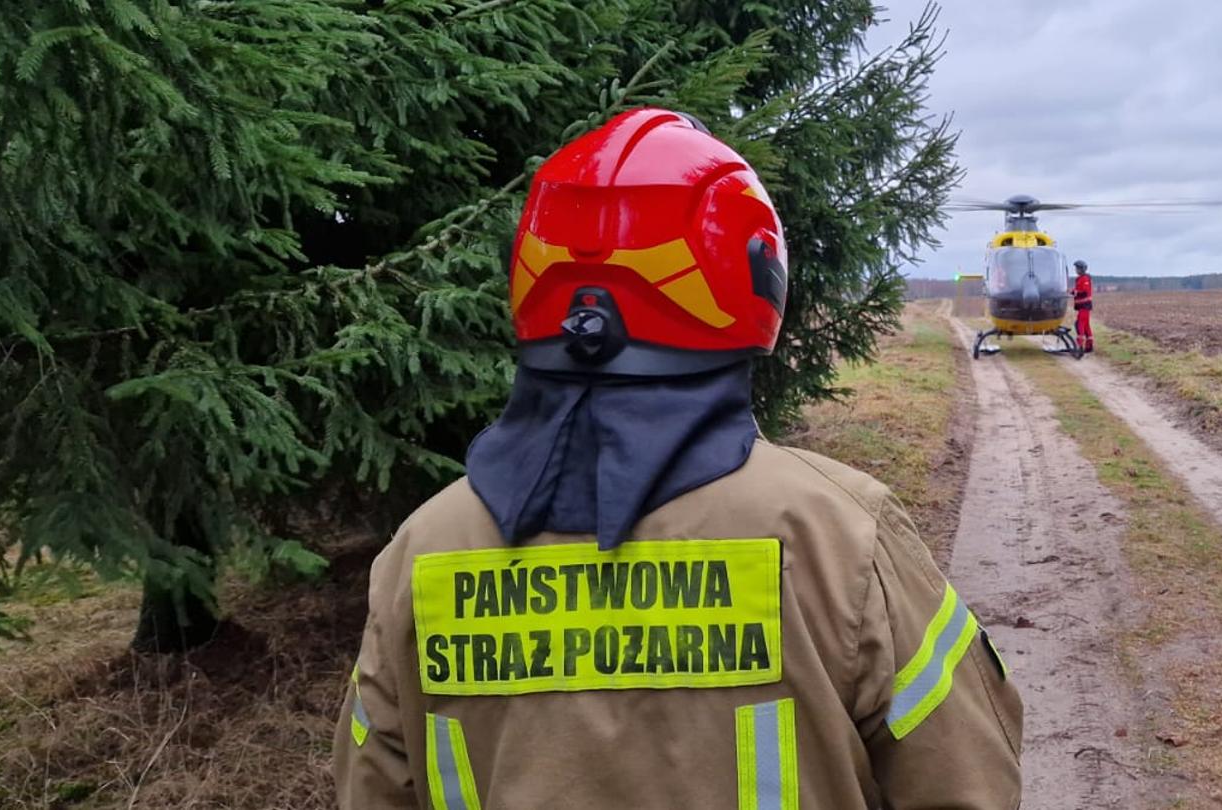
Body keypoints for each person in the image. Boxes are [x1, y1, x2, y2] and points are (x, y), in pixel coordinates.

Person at [332, 108, 1023, 810]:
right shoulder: (839, 533)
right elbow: (963, 779)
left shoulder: (421, 552)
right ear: (753, 277)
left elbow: (371, 790)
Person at [1071, 259, 1095, 353]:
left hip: (1084, 306)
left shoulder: (1085, 279)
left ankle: (1079, 345)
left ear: (1081, 269)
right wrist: (1072, 292)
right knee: (1086, 325)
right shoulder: (1080, 279)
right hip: (1082, 306)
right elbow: (1078, 290)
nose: (1076, 270)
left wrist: (1075, 292)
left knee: (1080, 324)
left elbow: (1084, 292)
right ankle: (1089, 346)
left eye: (1077, 268)